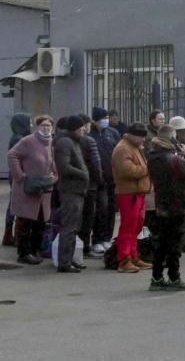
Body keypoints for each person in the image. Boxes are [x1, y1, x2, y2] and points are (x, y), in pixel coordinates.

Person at [146, 125, 185, 291]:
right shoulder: (173, 159)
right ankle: (174, 277)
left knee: (161, 242)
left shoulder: (152, 156)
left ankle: (156, 277)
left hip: (161, 203)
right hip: (177, 203)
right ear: (171, 139)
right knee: (175, 243)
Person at [7, 115, 55, 264]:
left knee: (40, 222)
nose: (46, 128)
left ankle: (34, 250)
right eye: (43, 125)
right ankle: (24, 253)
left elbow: (52, 162)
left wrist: (55, 176)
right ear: (36, 127)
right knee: (25, 221)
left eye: (49, 126)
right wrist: (20, 175)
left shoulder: (50, 143)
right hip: (26, 189)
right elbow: (12, 155)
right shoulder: (28, 141)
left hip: (43, 189)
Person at [112, 123, 153, 273]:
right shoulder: (123, 148)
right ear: (132, 135)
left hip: (137, 192)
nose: (143, 140)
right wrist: (148, 168)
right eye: (141, 137)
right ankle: (124, 260)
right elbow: (127, 171)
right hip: (129, 193)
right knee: (128, 227)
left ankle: (133, 256)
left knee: (136, 226)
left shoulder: (134, 146)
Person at [53, 115, 90, 273]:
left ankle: (70, 259)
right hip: (71, 190)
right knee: (69, 227)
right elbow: (63, 166)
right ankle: (64, 262)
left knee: (74, 226)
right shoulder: (65, 142)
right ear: (75, 128)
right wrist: (83, 174)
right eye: (81, 128)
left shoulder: (73, 142)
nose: (83, 130)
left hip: (77, 190)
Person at [90, 107, 121, 256]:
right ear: (95, 120)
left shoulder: (112, 133)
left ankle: (107, 238)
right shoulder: (90, 134)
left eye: (107, 117)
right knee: (101, 209)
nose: (106, 120)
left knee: (111, 210)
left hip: (113, 178)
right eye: (103, 118)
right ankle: (97, 239)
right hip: (98, 180)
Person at [77, 114, 104, 259]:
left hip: (74, 186)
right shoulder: (89, 141)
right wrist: (99, 180)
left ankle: (76, 247)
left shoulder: (65, 140)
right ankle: (85, 247)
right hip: (90, 185)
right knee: (88, 217)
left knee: (76, 218)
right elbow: (95, 164)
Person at [3, 113, 33, 247]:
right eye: (29, 122)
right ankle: (12, 235)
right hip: (19, 175)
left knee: (13, 204)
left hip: (14, 174)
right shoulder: (20, 139)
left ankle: (9, 235)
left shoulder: (16, 137)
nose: (31, 124)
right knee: (16, 205)